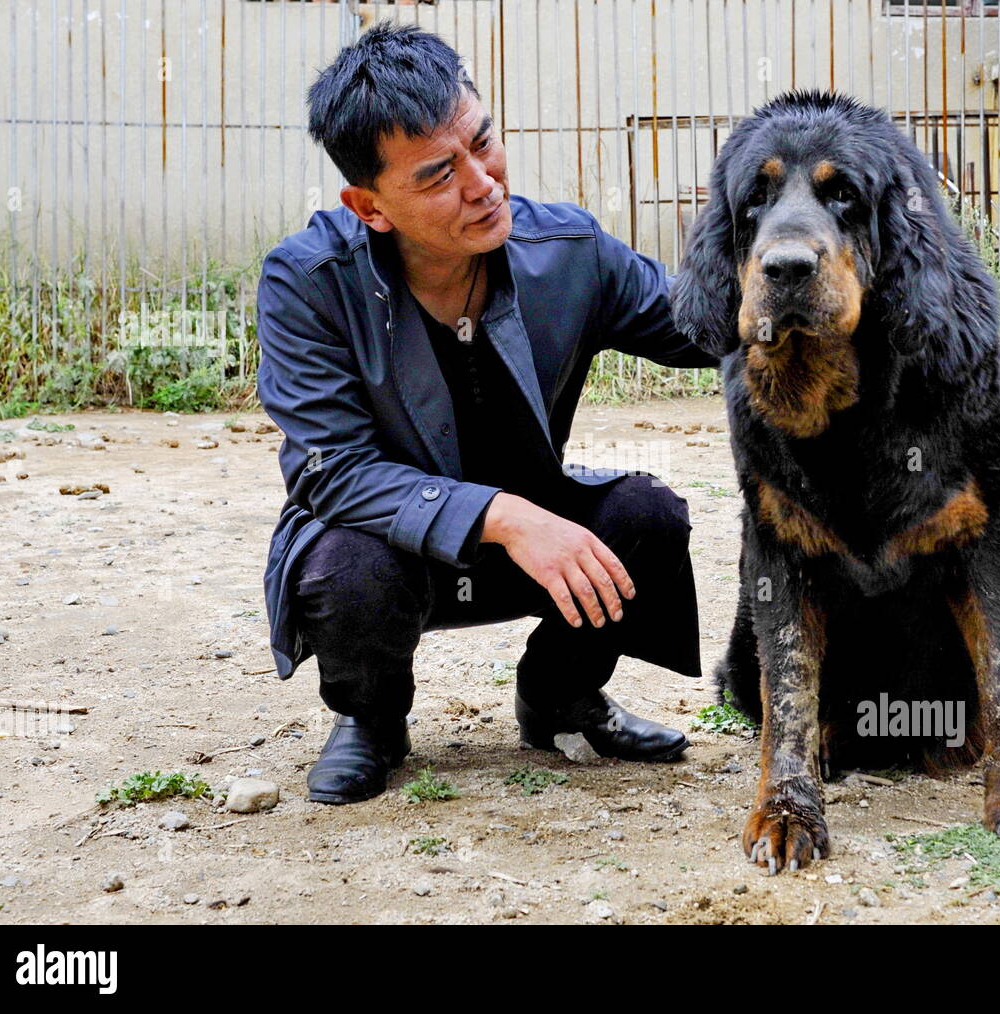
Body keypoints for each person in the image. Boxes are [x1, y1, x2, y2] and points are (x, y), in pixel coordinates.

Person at [255, 22, 719, 804]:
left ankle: (560, 698)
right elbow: (334, 475)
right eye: (439, 174)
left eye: (485, 141)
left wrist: (809, 283)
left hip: (530, 549)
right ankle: (372, 720)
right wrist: (506, 516)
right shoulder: (309, 284)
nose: (484, 182)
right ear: (368, 206)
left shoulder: (568, 249)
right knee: (345, 569)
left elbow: (704, 323)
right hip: (395, 555)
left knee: (647, 515)